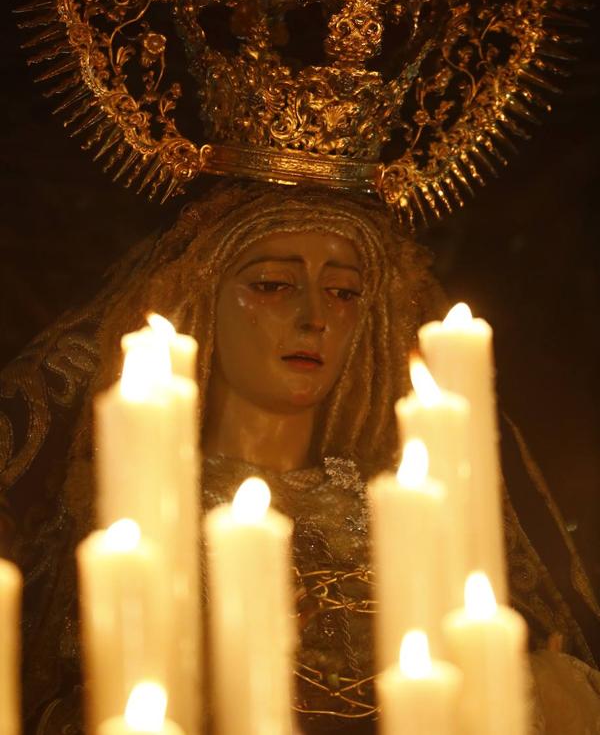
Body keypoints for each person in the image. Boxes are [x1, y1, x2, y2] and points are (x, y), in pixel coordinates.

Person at [1, 179, 599, 734]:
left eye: (342, 292)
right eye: (272, 285)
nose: (314, 318)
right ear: (202, 295)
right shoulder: (133, 530)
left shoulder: (415, 512)